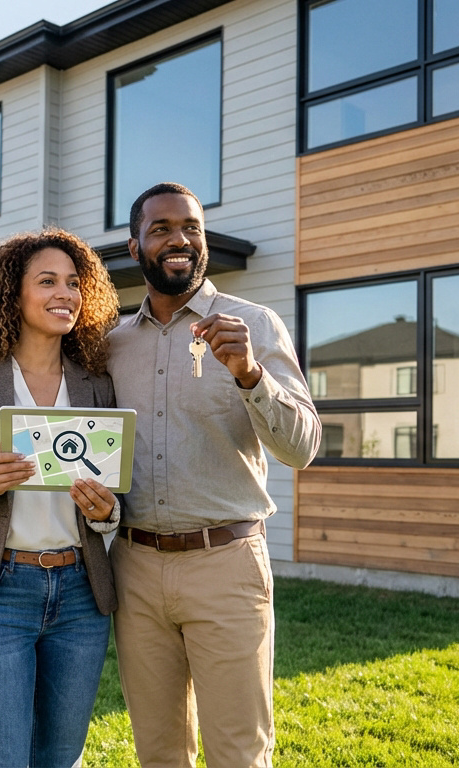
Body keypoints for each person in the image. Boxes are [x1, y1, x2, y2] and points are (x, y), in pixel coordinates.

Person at [107, 182, 321, 768]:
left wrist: (251, 374)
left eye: (191, 227)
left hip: (226, 566)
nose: (179, 239)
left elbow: (302, 448)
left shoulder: (253, 324)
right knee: (158, 752)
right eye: (161, 228)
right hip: (135, 569)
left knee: (239, 754)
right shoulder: (112, 346)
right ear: (135, 248)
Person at [0, 228, 123, 768]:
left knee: (61, 759)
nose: (65, 293)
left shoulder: (97, 383)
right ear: (13, 294)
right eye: (47, 281)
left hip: (82, 594)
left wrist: (108, 515)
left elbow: (118, 492)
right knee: (2, 760)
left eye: (74, 283)